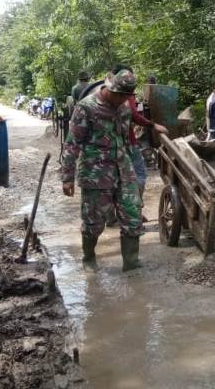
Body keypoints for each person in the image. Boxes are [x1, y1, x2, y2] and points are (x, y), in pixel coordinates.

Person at [62, 69, 144, 272]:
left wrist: (132, 164)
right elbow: (72, 144)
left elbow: (125, 140)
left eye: (127, 96)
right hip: (95, 174)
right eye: (121, 95)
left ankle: (131, 263)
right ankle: (88, 258)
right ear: (111, 89)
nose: (124, 100)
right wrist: (67, 177)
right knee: (93, 222)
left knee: (133, 216)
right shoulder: (86, 108)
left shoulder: (124, 109)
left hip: (123, 170)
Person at [111, 64, 168, 201]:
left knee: (116, 177)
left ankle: (115, 214)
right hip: (128, 141)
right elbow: (134, 115)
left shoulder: (105, 95)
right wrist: (153, 125)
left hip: (111, 143)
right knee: (140, 173)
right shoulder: (125, 91)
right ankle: (136, 208)